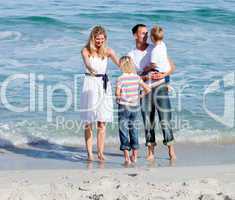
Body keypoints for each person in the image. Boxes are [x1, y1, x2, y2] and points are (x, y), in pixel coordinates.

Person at [128, 24, 176, 161]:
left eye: (146, 33)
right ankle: (150, 151)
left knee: (165, 119)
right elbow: (132, 76)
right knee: (148, 122)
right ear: (135, 35)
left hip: (160, 86)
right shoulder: (131, 55)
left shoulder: (156, 48)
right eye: (142, 33)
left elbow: (172, 67)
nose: (146, 35)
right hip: (145, 90)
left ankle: (171, 150)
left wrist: (163, 75)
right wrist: (145, 77)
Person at [80, 25, 119, 161]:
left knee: (102, 122)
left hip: (103, 85)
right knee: (88, 121)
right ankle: (90, 153)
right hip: (90, 84)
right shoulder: (86, 50)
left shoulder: (108, 51)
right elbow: (86, 61)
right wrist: (90, 67)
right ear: (92, 38)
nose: (100, 41)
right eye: (97, 39)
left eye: (102, 39)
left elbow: (121, 64)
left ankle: (100, 153)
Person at [116, 56, 150, 165]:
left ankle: (126, 157)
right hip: (135, 106)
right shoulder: (136, 77)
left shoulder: (120, 78)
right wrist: (140, 96)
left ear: (121, 65)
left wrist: (119, 98)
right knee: (134, 130)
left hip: (124, 106)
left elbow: (117, 93)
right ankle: (134, 156)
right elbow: (147, 89)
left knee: (123, 130)